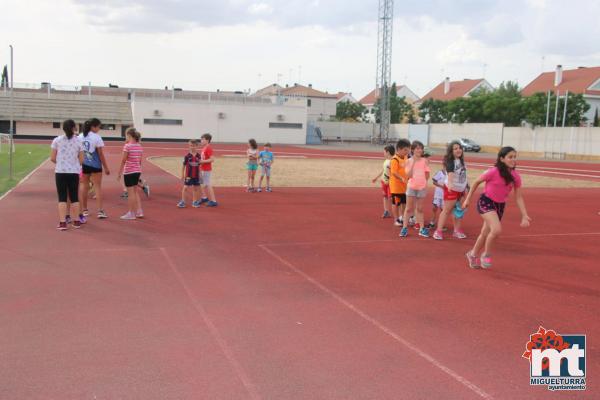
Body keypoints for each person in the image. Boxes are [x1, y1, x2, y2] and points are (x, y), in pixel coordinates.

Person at [462, 146, 531, 269]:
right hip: (486, 202)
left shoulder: (515, 176)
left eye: (515, 157)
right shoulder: (493, 171)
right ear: (502, 159)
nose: (513, 159)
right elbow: (476, 182)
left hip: (499, 206)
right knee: (497, 230)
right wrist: (467, 199)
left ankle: (472, 255)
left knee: (485, 233)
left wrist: (524, 215)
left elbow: (519, 197)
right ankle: (486, 255)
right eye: (510, 157)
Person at [51, 119, 86, 230]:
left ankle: (62, 223)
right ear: (74, 128)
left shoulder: (57, 140)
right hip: (73, 172)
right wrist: (74, 164)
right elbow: (81, 159)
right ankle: (76, 221)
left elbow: (52, 158)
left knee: (62, 197)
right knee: (74, 197)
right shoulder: (79, 141)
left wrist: (61, 163)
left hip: (60, 172)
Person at [433, 140, 469, 240]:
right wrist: (450, 185)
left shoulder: (462, 162)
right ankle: (438, 231)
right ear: (451, 151)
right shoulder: (450, 162)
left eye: (459, 148)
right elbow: (450, 175)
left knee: (459, 211)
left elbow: (464, 176)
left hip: (461, 191)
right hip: (452, 190)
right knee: (446, 211)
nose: (458, 150)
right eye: (455, 148)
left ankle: (457, 231)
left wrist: (466, 189)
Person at [79, 118, 110, 219]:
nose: (99, 129)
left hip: (84, 164)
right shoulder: (97, 137)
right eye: (99, 127)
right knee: (97, 187)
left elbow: (78, 152)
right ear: (93, 126)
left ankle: (84, 210)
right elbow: (100, 154)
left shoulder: (80, 136)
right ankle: (100, 211)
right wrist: (106, 167)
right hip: (96, 165)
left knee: (84, 186)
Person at [400, 141, 431, 238]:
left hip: (421, 187)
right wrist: (413, 162)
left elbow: (427, 174)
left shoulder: (425, 161)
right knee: (409, 209)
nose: (419, 150)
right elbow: (408, 175)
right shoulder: (408, 161)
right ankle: (404, 228)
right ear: (412, 150)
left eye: (421, 148)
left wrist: (425, 183)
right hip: (411, 187)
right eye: (417, 148)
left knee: (420, 209)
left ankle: (421, 229)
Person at [117, 128, 144, 220]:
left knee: (130, 193)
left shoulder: (127, 146)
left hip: (129, 171)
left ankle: (131, 213)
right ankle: (139, 211)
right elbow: (139, 161)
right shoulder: (140, 146)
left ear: (129, 135)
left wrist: (119, 172)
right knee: (135, 192)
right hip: (137, 171)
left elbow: (123, 160)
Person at [389, 139, 411, 227]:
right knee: (396, 203)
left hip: (404, 186)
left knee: (404, 203)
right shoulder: (395, 159)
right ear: (399, 149)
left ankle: (402, 217)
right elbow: (394, 172)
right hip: (396, 187)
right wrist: (402, 178)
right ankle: (396, 219)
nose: (407, 152)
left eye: (408, 149)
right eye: (405, 150)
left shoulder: (406, 158)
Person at [371, 145, 395, 218]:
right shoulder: (386, 161)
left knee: (390, 197)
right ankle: (386, 211)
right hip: (384, 181)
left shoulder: (392, 161)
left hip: (390, 183)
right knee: (385, 196)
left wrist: (389, 180)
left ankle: (395, 212)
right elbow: (383, 171)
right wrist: (376, 177)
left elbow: (393, 173)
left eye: (384, 152)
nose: (383, 153)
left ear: (388, 152)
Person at [178, 140, 202, 208]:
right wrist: (182, 174)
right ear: (189, 146)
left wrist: (200, 175)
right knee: (185, 188)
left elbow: (199, 165)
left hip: (196, 176)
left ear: (196, 146)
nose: (192, 147)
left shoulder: (198, 156)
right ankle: (183, 201)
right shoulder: (187, 156)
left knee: (195, 188)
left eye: (194, 146)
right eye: (191, 145)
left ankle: (194, 202)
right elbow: (183, 165)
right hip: (188, 175)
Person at [199, 133, 218, 206]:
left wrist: (202, 161)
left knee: (208, 184)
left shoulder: (208, 148)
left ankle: (213, 201)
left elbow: (212, 159)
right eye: (201, 139)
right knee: (201, 184)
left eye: (203, 139)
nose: (201, 140)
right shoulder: (204, 148)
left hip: (206, 169)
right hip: (203, 168)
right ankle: (204, 197)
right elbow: (204, 158)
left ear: (207, 140)